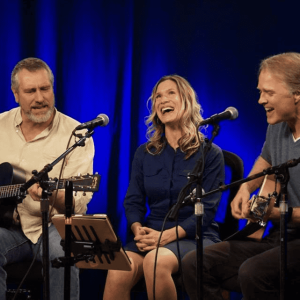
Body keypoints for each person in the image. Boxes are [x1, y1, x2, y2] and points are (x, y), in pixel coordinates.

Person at [182, 52, 300, 300]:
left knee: (253, 272)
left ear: (297, 94)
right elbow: (265, 160)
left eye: (269, 93)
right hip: (279, 236)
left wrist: (279, 214)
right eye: (260, 92)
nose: (260, 100)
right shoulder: (276, 126)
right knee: (196, 263)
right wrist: (245, 189)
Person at [103, 74, 225, 300]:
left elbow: (207, 211)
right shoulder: (144, 153)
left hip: (196, 237)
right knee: (118, 270)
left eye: (171, 93)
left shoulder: (210, 153)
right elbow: (133, 200)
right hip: (152, 234)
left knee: (155, 261)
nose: (162, 100)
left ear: (186, 100)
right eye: (157, 96)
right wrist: (137, 228)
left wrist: (165, 237)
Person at [0, 57, 95, 300]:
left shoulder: (77, 135)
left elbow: (78, 204)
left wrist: (50, 195)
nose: (39, 98)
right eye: (30, 91)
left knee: (63, 250)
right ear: (15, 95)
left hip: (53, 226)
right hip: (8, 226)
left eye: (45, 89)